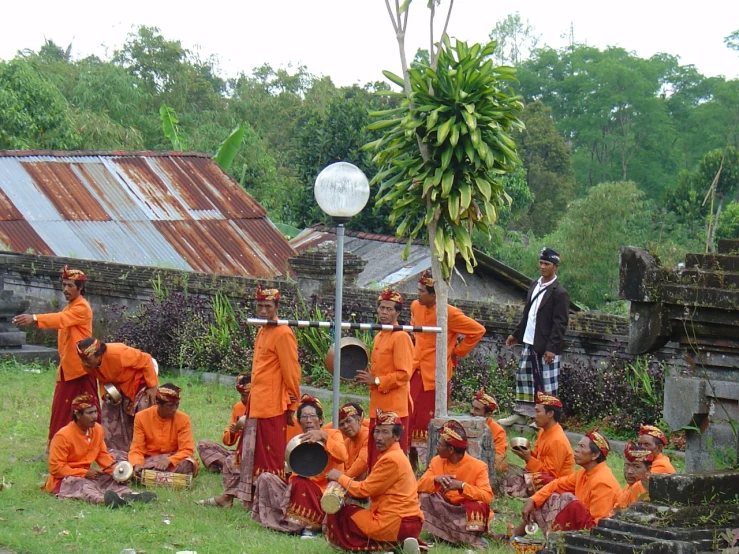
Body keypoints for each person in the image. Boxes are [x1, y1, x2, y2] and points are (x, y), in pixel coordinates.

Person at [198, 285, 301, 508]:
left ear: (276, 307)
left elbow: (292, 373)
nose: (263, 310)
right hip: (256, 404)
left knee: (270, 458)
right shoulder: (263, 329)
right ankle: (236, 497)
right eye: (260, 306)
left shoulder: (283, 332)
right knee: (246, 454)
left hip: (273, 407)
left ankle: (270, 502)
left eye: (268, 306)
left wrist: (293, 405)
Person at [409, 270, 486, 471]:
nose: (417, 294)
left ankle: (432, 464)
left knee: (429, 419)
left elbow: (478, 331)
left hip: (436, 375)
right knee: (409, 414)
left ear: (434, 295)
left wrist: (456, 352)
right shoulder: (415, 306)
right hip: (414, 370)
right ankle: (411, 459)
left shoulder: (448, 312)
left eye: (421, 291)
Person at [13, 265, 97, 444]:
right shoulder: (70, 306)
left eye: (70, 286)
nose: (65, 289)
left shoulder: (82, 308)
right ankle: (58, 446)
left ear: (80, 288)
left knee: (88, 410)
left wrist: (35, 318)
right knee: (62, 410)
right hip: (69, 369)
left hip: (80, 370)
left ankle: (93, 445)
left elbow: (59, 320)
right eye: (64, 285)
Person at [324, 410, 424, 554]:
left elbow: (364, 490)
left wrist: (339, 477)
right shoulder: (394, 455)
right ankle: (399, 546)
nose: (378, 437)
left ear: (396, 436)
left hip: (399, 523)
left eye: (385, 432)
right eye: (376, 432)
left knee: (343, 513)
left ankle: (384, 548)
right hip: (408, 522)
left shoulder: (392, 459)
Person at [252, 395, 347, 539]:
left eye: (312, 416)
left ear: (320, 420)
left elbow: (343, 456)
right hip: (296, 489)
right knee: (266, 478)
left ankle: (311, 527)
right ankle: (280, 520)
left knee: (301, 483)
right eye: (303, 417)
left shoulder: (333, 434)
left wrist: (323, 437)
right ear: (299, 422)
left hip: (321, 493)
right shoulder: (298, 440)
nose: (308, 420)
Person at [44, 393, 155, 508]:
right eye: (90, 413)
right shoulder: (63, 436)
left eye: (95, 412)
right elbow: (56, 468)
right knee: (83, 484)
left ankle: (128, 495)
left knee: (109, 478)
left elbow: (102, 455)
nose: (94, 416)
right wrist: (85, 473)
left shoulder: (97, 429)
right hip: (64, 479)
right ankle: (104, 500)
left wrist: (116, 471)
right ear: (77, 415)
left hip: (88, 473)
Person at [501, 248, 569, 427]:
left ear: (555, 266)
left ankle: (544, 418)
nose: (543, 267)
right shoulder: (534, 285)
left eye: (547, 264)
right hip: (529, 341)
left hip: (546, 345)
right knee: (524, 379)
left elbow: (560, 323)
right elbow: (528, 315)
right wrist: (516, 334)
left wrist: (551, 348)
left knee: (546, 383)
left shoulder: (559, 292)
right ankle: (522, 413)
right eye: (541, 263)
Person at [518, 429, 620, 535]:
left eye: (582, 447)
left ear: (595, 455)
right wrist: (533, 500)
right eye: (578, 445)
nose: (576, 450)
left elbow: (599, 525)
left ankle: (556, 543)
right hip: (583, 524)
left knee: (569, 500)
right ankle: (514, 536)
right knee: (548, 496)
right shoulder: (584, 472)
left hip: (595, 534)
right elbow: (557, 484)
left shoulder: (602, 482)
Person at [356, 288, 414, 470]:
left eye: (389, 309)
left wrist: (377, 381)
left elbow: (404, 374)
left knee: (392, 453)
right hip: (377, 405)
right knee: (376, 452)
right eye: (382, 308)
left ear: (397, 313)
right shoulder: (379, 335)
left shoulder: (401, 336)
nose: (384, 312)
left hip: (394, 407)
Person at [417, 420, 493, 549]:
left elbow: (487, 496)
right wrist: (436, 479)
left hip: (463, 511)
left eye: (440, 444)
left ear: (451, 449)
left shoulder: (479, 466)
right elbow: (418, 485)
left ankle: (452, 536)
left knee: (479, 505)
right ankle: (458, 537)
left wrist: (461, 486)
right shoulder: (436, 461)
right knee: (424, 496)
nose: (436, 446)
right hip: (444, 507)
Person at [76, 338, 158, 455]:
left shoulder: (119, 353)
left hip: (138, 381)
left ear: (98, 355)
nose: (84, 363)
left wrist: (152, 386)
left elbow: (146, 359)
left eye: (87, 359)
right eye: (82, 359)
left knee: (144, 410)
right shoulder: (88, 365)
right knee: (108, 414)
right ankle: (113, 452)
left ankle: (146, 451)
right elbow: (102, 379)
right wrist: (107, 395)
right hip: (117, 387)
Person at [505, 392, 575, 498]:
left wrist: (528, 458)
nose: (534, 415)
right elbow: (538, 458)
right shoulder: (543, 431)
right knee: (507, 469)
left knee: (516, 482)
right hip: (540, 476)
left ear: (550, 414)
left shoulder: (557, 440)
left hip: (558, 487)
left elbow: (549, 476)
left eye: (538, 412)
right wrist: (525, 453)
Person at [128, 383, 199, 477]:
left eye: (176, 405)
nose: (174, 409)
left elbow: (187, 449)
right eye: (170, 406)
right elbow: (137, 448)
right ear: (158, 404)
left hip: (173, 459)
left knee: (189, 463)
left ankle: (148, 474)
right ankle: (145, 472)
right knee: (120, 459)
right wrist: (137, 464)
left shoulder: (184, 419)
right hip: (149, 459)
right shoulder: (141, 417)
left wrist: (169, 460)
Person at [197, 373, 250, 473]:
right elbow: (227, 442)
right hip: (238, 455)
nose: (242, 399)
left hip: (254, 458)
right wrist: (233, 432)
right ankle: (230, 467)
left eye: (245, 395)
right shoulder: (238, 407)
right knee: (203, 445)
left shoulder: (264, 409)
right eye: (241, 395)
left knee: (232, 460)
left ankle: (225, 467)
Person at [469, 388, 508, 473]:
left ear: (488, 414)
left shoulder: (498, 431)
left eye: (477, 409)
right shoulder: (465, 424)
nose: (471, 411)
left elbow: (499, 461)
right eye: (472, 407)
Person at [614, 441, 653, 511]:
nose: (629, 471)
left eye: (636, 467)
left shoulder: (640, 487)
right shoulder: (629, 487)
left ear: (648, 470)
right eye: (626, 466)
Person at [338, 402, 370, 480]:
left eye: (348, 421)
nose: (345, 426)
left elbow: (362, 463)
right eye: (342, 424)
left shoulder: (368, 436)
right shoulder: (346, 443)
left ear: (359, 420)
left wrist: (341, 479)